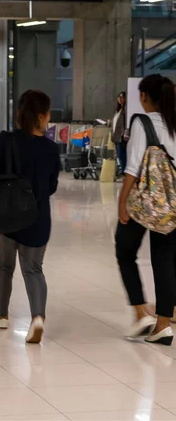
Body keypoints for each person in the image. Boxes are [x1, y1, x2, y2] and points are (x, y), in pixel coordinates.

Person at [0, 90, 61, 344]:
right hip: (37, 216)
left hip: (3, 215)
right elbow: (52, 186)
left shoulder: (5, 140)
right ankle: (37, 318)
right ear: (44, 116)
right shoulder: (50, 149)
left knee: (2, 266)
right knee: (34, 269)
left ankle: (2, 315)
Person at [116, 74, 176, 346]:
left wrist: (122, 203)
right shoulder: (174, 122)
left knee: (124, 251)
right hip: (172, 204)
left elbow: (132, 168)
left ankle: (141, 312)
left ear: (143, 96)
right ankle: (163, 325)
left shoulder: (141, 122)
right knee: (165, 260)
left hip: (145, 204)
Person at [112, 91, 127, 174]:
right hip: (117, 136)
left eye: (122, 97)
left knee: (122, 155)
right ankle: (123, 170)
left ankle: (125, 171)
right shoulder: (118, 110)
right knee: (119, 155)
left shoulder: (125, 110)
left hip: (122, 136)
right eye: (119, 97)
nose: (120, 99)